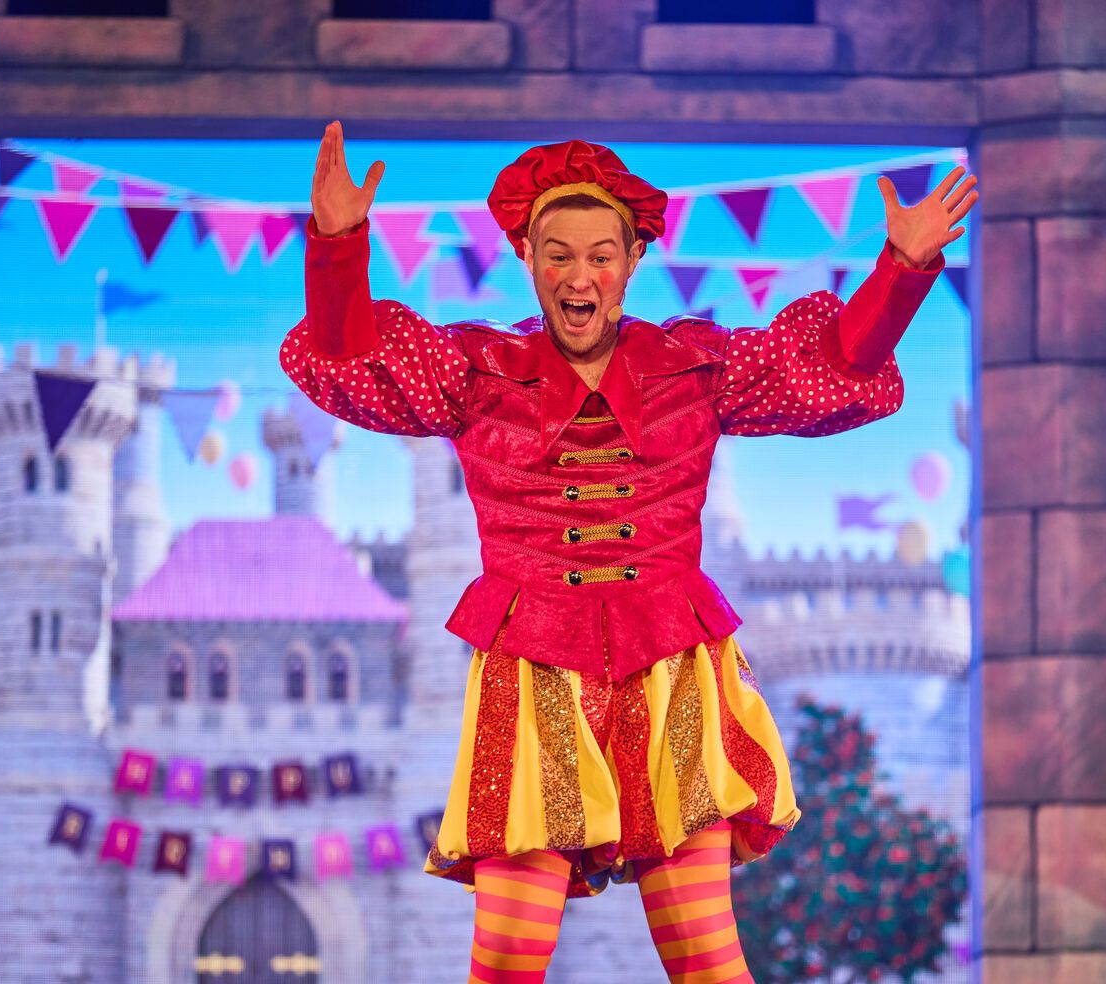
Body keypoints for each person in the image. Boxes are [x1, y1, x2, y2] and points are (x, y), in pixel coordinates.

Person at [279, 124, 976, 984]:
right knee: (506, 962)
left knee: (707, 958)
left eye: (600, 255)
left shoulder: (695, 367)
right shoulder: (477, 371)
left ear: (634, 259)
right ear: (526, 258)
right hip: (534, 679)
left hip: (672, 671)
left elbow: (833, 364)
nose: (580, 277)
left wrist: (901, 269)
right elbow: (348, 359)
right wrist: (339, 245)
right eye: (558, 255)